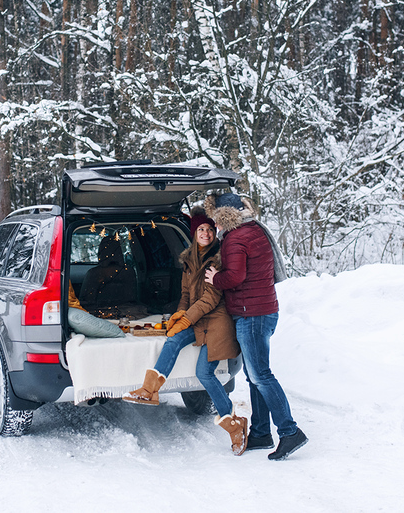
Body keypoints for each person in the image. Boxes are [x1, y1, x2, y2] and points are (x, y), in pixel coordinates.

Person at [123, 207, 248, 455]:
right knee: (173, 339)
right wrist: (180, 315)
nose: (206, 233)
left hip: (216, 322)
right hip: (197, 318)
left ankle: (234, 424)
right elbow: (187, 295)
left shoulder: (217, 261)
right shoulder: (189, 260)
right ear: (194, 234)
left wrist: (186, 318)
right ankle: (149, 391)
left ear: (214, 234)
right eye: (201, 229)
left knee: (205, 374)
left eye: (210, 230)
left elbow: (210, 300)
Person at [204, 192, 307, 461]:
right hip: (263, 311)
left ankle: (289, 431)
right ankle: (261, 433)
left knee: (261, 375)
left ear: (222, 216)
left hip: (251, 316)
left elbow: (235, 277)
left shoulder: (235, 238)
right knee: (254, 376)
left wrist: (216, 278)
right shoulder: (254, 230)